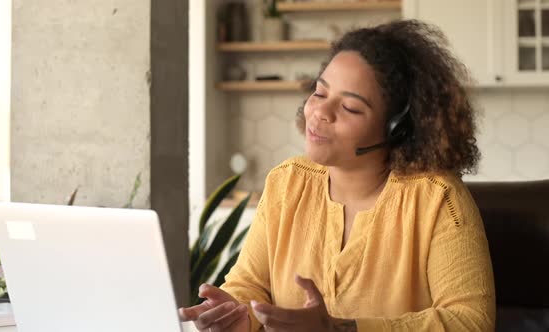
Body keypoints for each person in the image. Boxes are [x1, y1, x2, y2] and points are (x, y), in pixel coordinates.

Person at [179, 19, 495, 332]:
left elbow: (471, 321)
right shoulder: (286, 183)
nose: (320, 112)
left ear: (396, 130)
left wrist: (342, 329)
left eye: (350, 107)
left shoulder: (438, 199)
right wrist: (236, 312)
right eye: (319, 93)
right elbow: (249, 284)